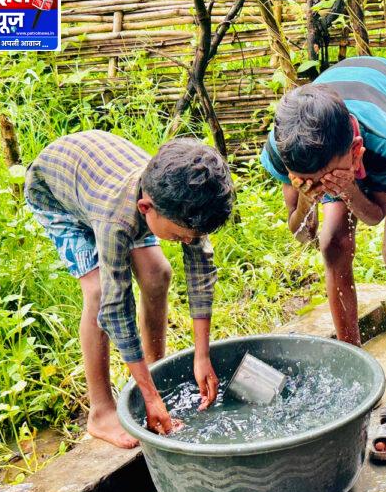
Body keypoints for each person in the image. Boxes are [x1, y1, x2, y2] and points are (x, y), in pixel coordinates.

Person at [260, 56, 386, 462]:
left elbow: (374, 215)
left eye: (328, 180)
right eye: (309, 180)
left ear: (355, 154)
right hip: (336, 147)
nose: (320, 187)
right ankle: (354, 371)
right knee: (331, 243)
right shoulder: (286, 149)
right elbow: (301, 232)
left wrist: (349, 189)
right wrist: (309, 196)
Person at [25, 131, 233, 448]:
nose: (187, 242)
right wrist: (149, 397)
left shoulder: (185, 200)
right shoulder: (117, 221)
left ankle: (153, 373)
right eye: (180, 236)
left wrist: (201, 356)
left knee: (157, 274)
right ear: (146, 208)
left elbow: (201, 271)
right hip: (57, 195)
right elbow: (116, 308)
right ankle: (101, 411)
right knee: (98, 294)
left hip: (107, 188)